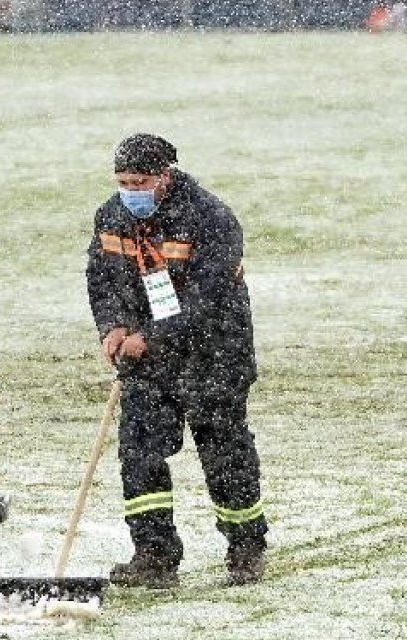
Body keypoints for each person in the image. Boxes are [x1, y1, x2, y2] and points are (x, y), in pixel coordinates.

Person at [84, 133, 268, 588]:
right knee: (140, 454)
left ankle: (246, 548)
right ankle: (153, 555)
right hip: (147, 362)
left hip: (213, 355)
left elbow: (209, 299)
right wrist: (113, 327)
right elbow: (102, 278)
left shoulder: (213, 219)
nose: (132, 191)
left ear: (165, 176)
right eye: (124, 181)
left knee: (225, 457)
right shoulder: (111, 215)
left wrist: (151, 336)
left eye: (140, 181)